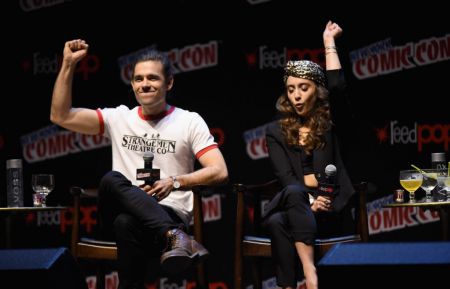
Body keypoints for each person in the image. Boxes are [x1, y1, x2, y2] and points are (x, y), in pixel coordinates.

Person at [50, 40, 228, 289]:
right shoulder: (119, 118)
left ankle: (170, 235)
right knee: (112, 180)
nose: (145, 84)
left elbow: (219, 171)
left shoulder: (189, 121)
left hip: (166, 212)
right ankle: (176, 235)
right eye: (138, 79)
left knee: (127, 223)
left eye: (153, 78)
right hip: (125, 216)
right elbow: (60, 115)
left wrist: (175, 181)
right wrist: (68, 63)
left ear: (169, 83)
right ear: (132, 84)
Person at [262, 21, 354, 289]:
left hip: (330, 210)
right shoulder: (275, 131)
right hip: (301, 205)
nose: (297, 96)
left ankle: (290, 285)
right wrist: (308, 202)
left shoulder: (331, 122)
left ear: (317, 90)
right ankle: (309, 274)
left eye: (304, 88)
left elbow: (337, 86)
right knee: (291, 194)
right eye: (291, 89)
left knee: (280, 218)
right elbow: (286, 176)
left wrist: (329, 42)